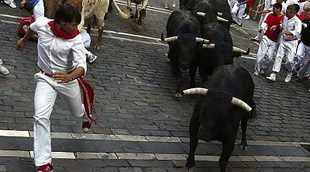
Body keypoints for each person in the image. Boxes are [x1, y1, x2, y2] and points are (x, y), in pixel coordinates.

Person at [16, 4, 96, 171]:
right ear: (60, 22)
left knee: (77, 112)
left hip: (67, 81)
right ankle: (44, 162)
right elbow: (31, 27)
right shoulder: (43, 24)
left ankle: (86, 115)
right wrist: (24, 39)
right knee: (40, 117)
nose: (76, 28)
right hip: (45, 79)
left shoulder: (75, 39)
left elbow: (82, 65)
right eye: (73, 25)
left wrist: (70, 76)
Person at [19, 0, 98, 64]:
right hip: (52, 27)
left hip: (63, 29)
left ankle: (86, 53)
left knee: (86, 40)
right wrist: (24, 40)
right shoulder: (41, 15)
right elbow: (36, 25)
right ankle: (87, 53)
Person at [266, 4, 302, 82]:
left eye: (289, 12)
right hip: (283, 40)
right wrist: (277, 26)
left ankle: (290, 72)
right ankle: (273, 74)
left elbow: (297, 33)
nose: (286, 13)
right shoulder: (285, 17)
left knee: (289, 60)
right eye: (286, 11)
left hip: (292, 43)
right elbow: (282, 25)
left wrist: (288, 32)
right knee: (278, 56)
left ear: (294, 13)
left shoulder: (297, 21)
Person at [254, 3, 284, 76]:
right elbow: (265, 23)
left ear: (279, 9)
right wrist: (262, 28)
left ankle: (263, 69)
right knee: (260, 54)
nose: (273, 10)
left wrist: (277, 26)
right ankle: (257, 69)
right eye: (273, 9)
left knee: (269, 58)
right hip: (266, 37)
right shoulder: (269, 15)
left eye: (274, 9)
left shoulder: (283, 18)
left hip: (275, 41)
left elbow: (282, 26)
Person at [294, 2, 310, 82]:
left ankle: (299, 76)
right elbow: (299, 30)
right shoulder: (304, 21)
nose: (307, 14)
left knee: (306, 62)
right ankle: (294, 67)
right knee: (298, 55)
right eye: (307, 13)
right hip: (303, 42)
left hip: (309, 46)